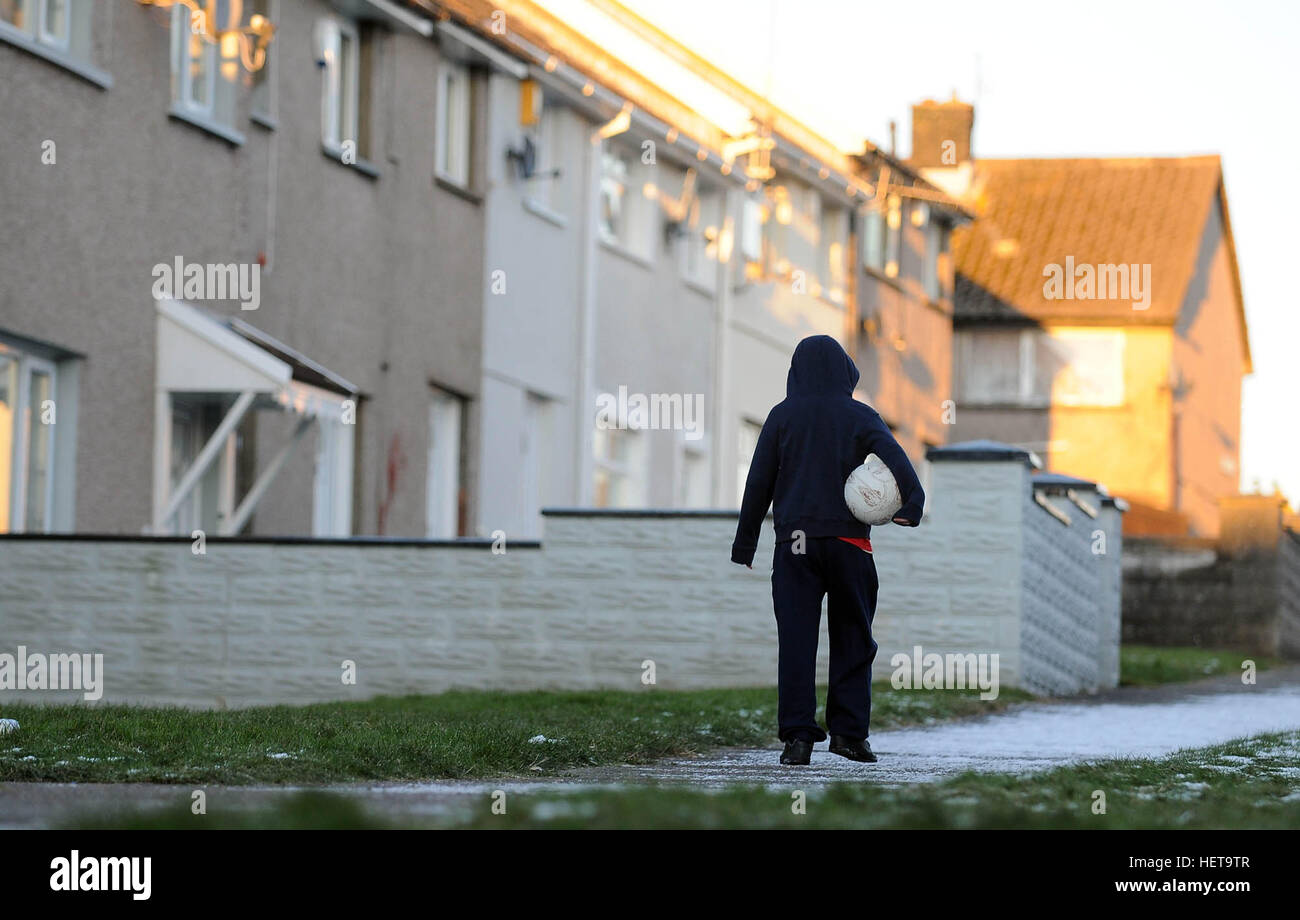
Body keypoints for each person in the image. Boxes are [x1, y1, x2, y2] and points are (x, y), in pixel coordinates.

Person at [730, 335, 925, 765]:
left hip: (794, 545)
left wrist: (746, 543)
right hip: (849, 542)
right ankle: (849, 735)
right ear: (845, 373)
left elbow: (758, 480)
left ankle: (798, 740)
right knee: (854, 637)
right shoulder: (859, 415)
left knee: (796, 642)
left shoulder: (782, 416)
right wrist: (912, 504)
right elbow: (896, 458)